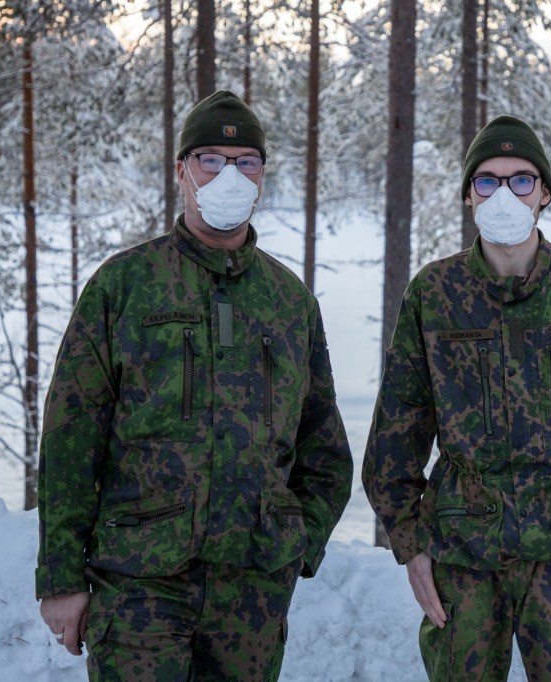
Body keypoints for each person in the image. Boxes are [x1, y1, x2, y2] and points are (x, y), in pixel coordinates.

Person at [36, 90, 353, 682]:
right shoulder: (123, 286)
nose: (229, 175)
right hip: (139, 584)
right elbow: (69, 441)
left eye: (246, 162)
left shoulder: (289, 301)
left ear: (262, 177)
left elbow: (325, 449)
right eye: (211, 159)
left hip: (252, 596)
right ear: (181, 171)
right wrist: (60, 577)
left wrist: (294, 546)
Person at [362, 115, 551, 681]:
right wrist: (410, 543)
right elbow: (397, 428)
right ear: (468, 195)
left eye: (521, 179)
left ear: (544, 192)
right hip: (462, 552)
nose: (504, 193)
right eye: (488, 180)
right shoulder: (435, 292)